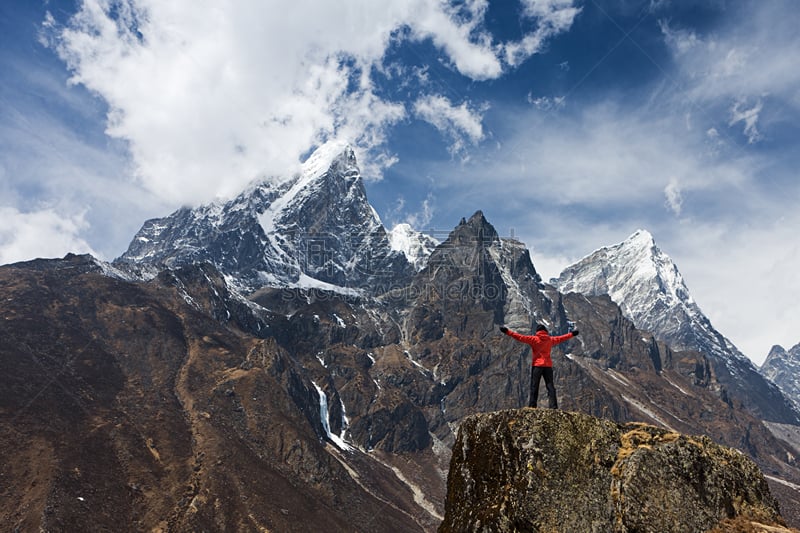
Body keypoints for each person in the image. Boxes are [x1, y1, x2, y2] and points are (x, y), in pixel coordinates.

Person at [500, 324, 579, 409]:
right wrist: (572, 334)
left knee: (534, 386)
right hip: (548, 366)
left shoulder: (534, 339)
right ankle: (553, 406)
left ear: (537, 332)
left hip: (537, 366)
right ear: (545, 331)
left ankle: (532, 405)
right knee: (550, 386)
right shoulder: (550, 340)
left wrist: (507, 332)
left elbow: (520, 337)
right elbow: (561, 338)